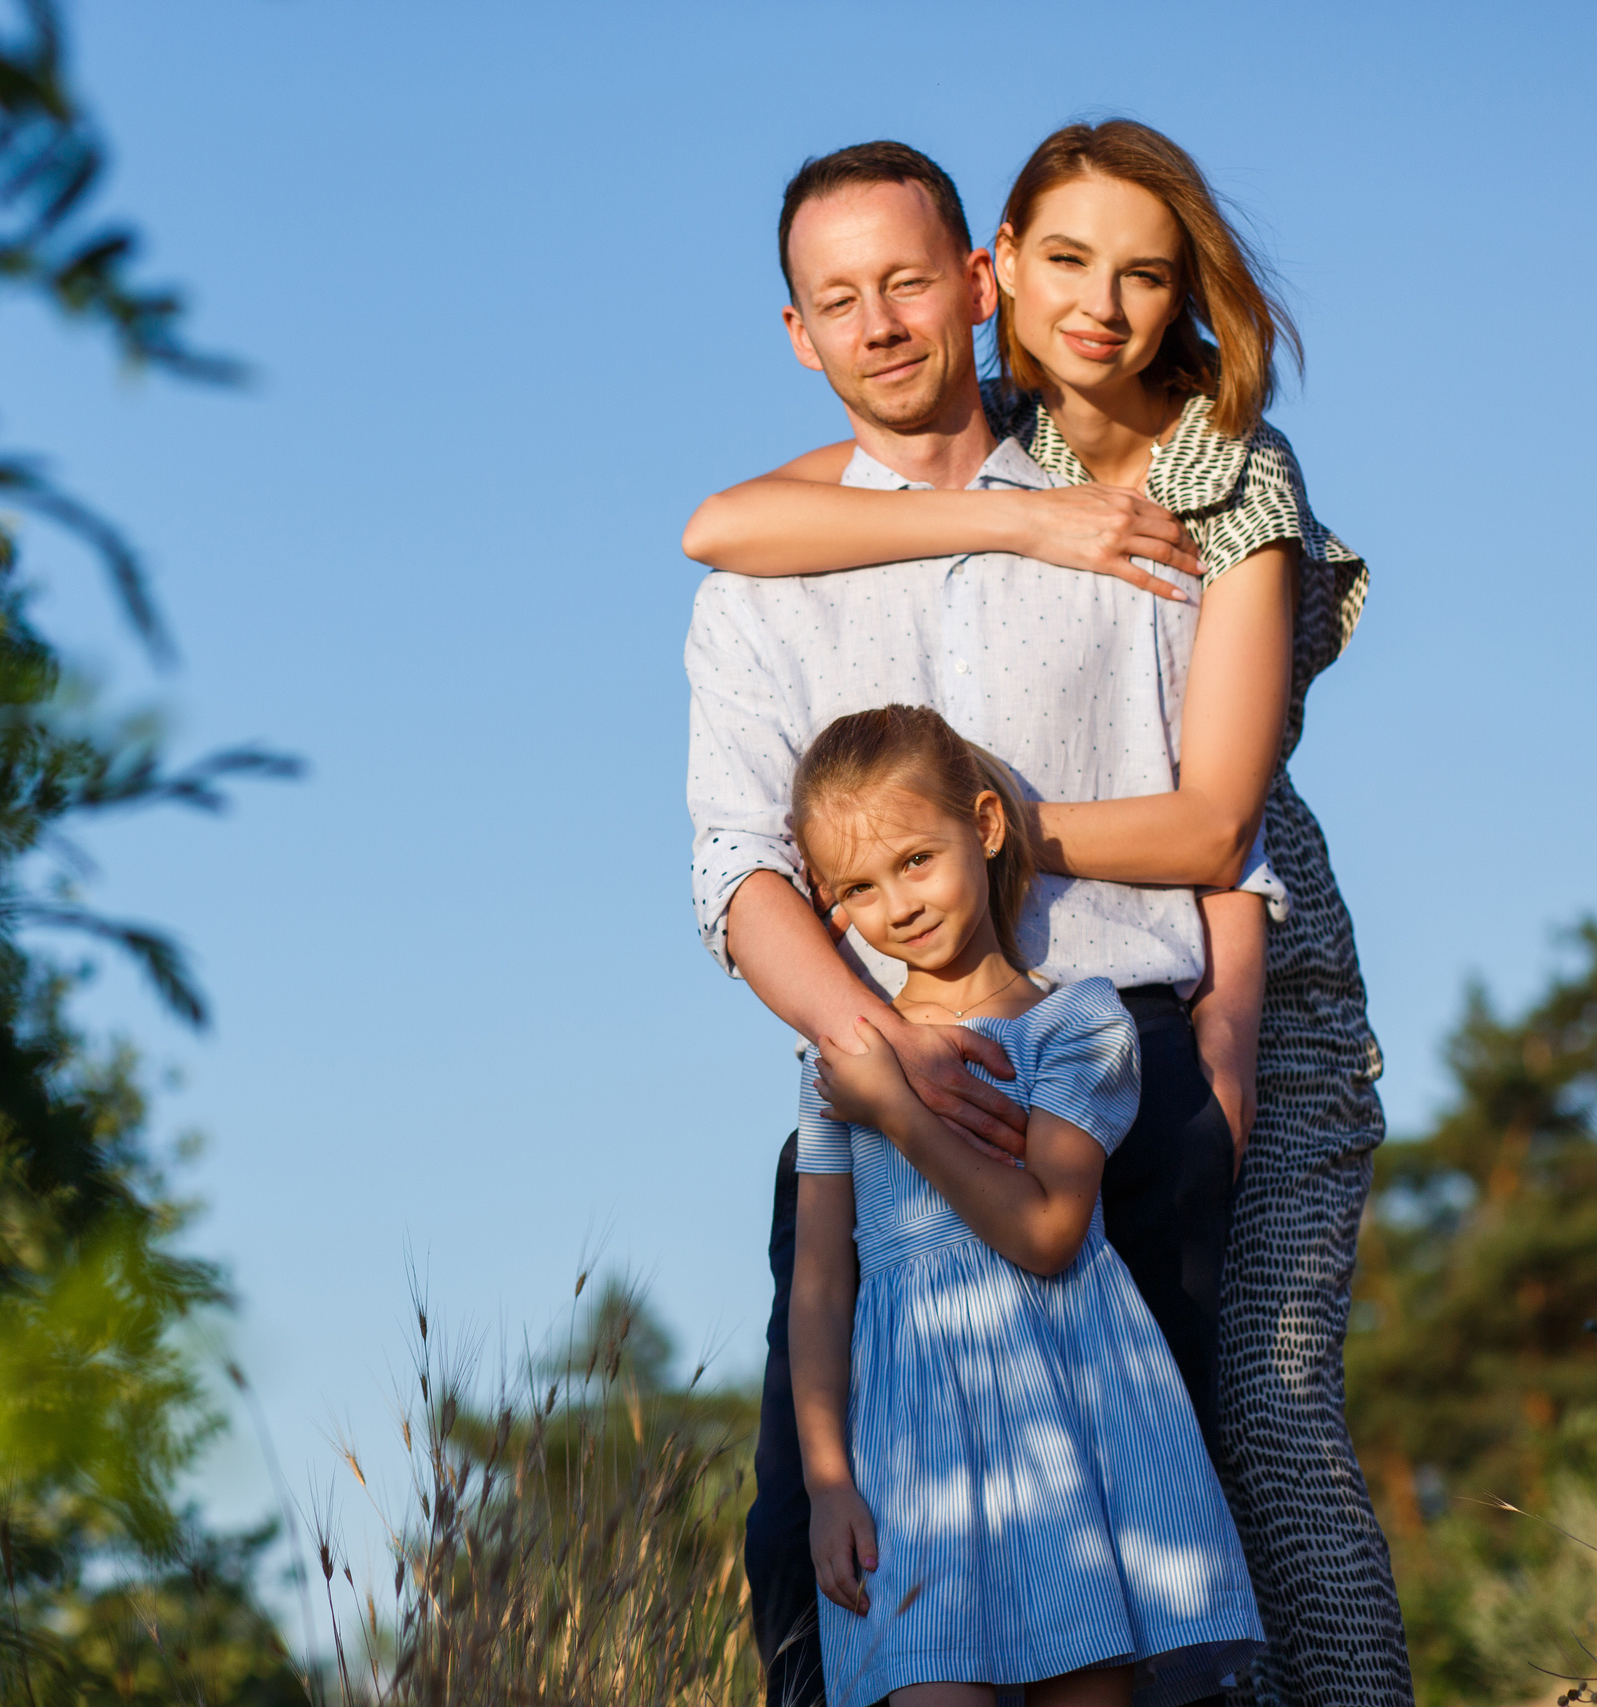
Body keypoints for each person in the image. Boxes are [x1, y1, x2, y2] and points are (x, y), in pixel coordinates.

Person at [685, 121, 1404, 1707]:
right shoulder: (760, 586)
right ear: (797, 333)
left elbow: (1225, 823)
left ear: (974, 281)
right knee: (818, 1553)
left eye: (906, 283)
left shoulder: (1152, 508)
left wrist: (1223, 1052)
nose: (880, 325)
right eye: (838, 299)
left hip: (1124, 1061)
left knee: (1184, 1548)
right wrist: (869, 1049)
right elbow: (737, 869)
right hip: (886, 1079)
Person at [787, 704, 1259, 1707]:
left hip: (1071, 1435)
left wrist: (899, 1112)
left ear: (987, 826)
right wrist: (827, 1479)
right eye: (859, 887)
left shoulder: (1075, 1025)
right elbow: (820, 1286)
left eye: (916, 860)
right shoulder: (838, 1064)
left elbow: (1046, 1233)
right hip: (912, 1453)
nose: (897, 905)